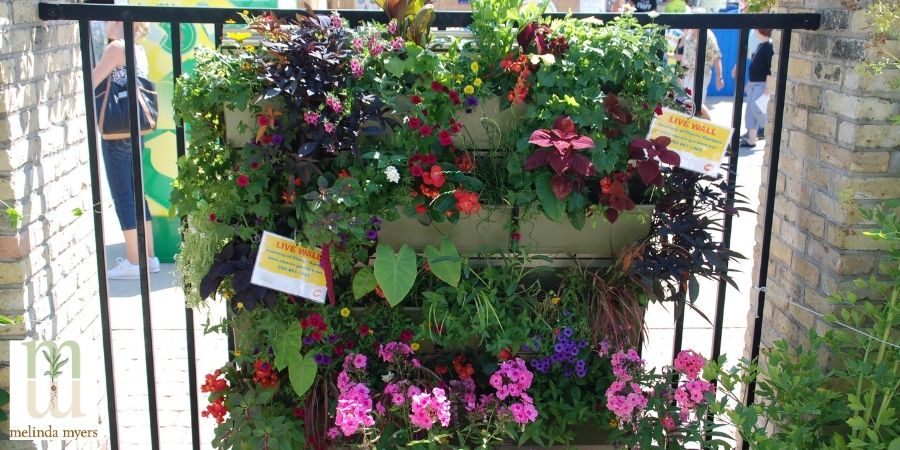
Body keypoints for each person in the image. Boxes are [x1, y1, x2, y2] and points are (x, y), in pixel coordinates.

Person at [91, 21, 159, 279]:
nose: (103, 24)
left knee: (123, 195)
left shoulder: (116, 47)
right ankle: (148, 257)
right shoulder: (136, 48)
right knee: (136, 192)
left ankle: (134, 261)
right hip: (135, 129)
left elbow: (92, 81)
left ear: (118, 20)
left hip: (116, 130)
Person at [679, 28, 726, 120]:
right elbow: (685, 57)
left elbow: (716, 56)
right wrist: (680, 75)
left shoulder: (708, 36)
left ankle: (708, 122)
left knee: (695, 102)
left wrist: (719, 77)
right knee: (686, 103)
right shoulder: (689, 34)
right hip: (686, 74)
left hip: (700, 74)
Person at [740, 28, 773, 147]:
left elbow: (770, 67)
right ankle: (751, 139)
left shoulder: (769, 46)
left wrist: (768, 86)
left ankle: (768, 128)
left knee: (756, 108)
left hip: (761, 83)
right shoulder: (760, 46)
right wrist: (749, 83)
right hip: (753, 83)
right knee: (749, 111)